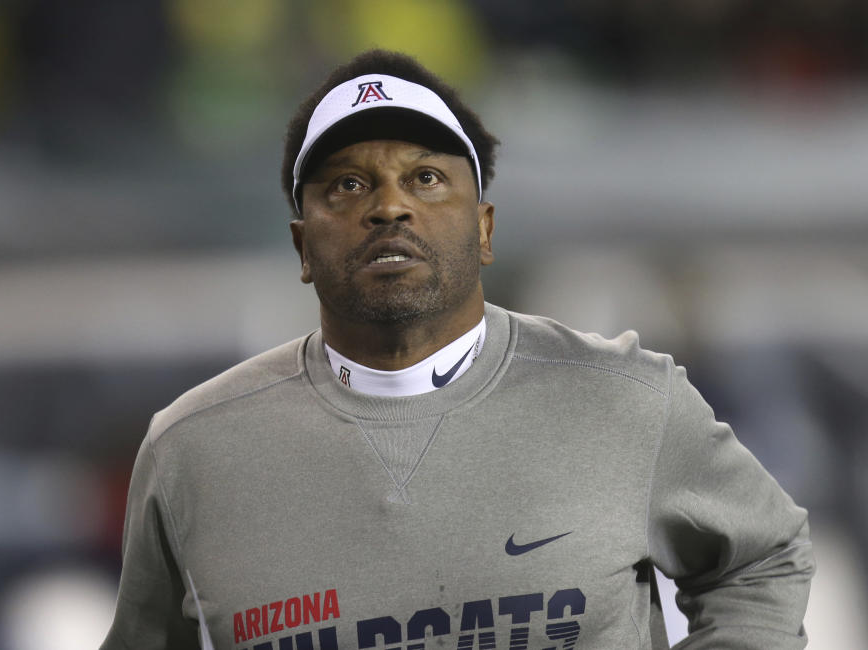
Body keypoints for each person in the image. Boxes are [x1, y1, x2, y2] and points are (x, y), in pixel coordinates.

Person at [101, 49, 814, 650]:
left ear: (483, 228)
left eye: (426, 178)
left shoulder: (624, 398)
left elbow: (762, 557)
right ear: (301, 245)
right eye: (347, 184)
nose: (389, 206)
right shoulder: (192, 450)